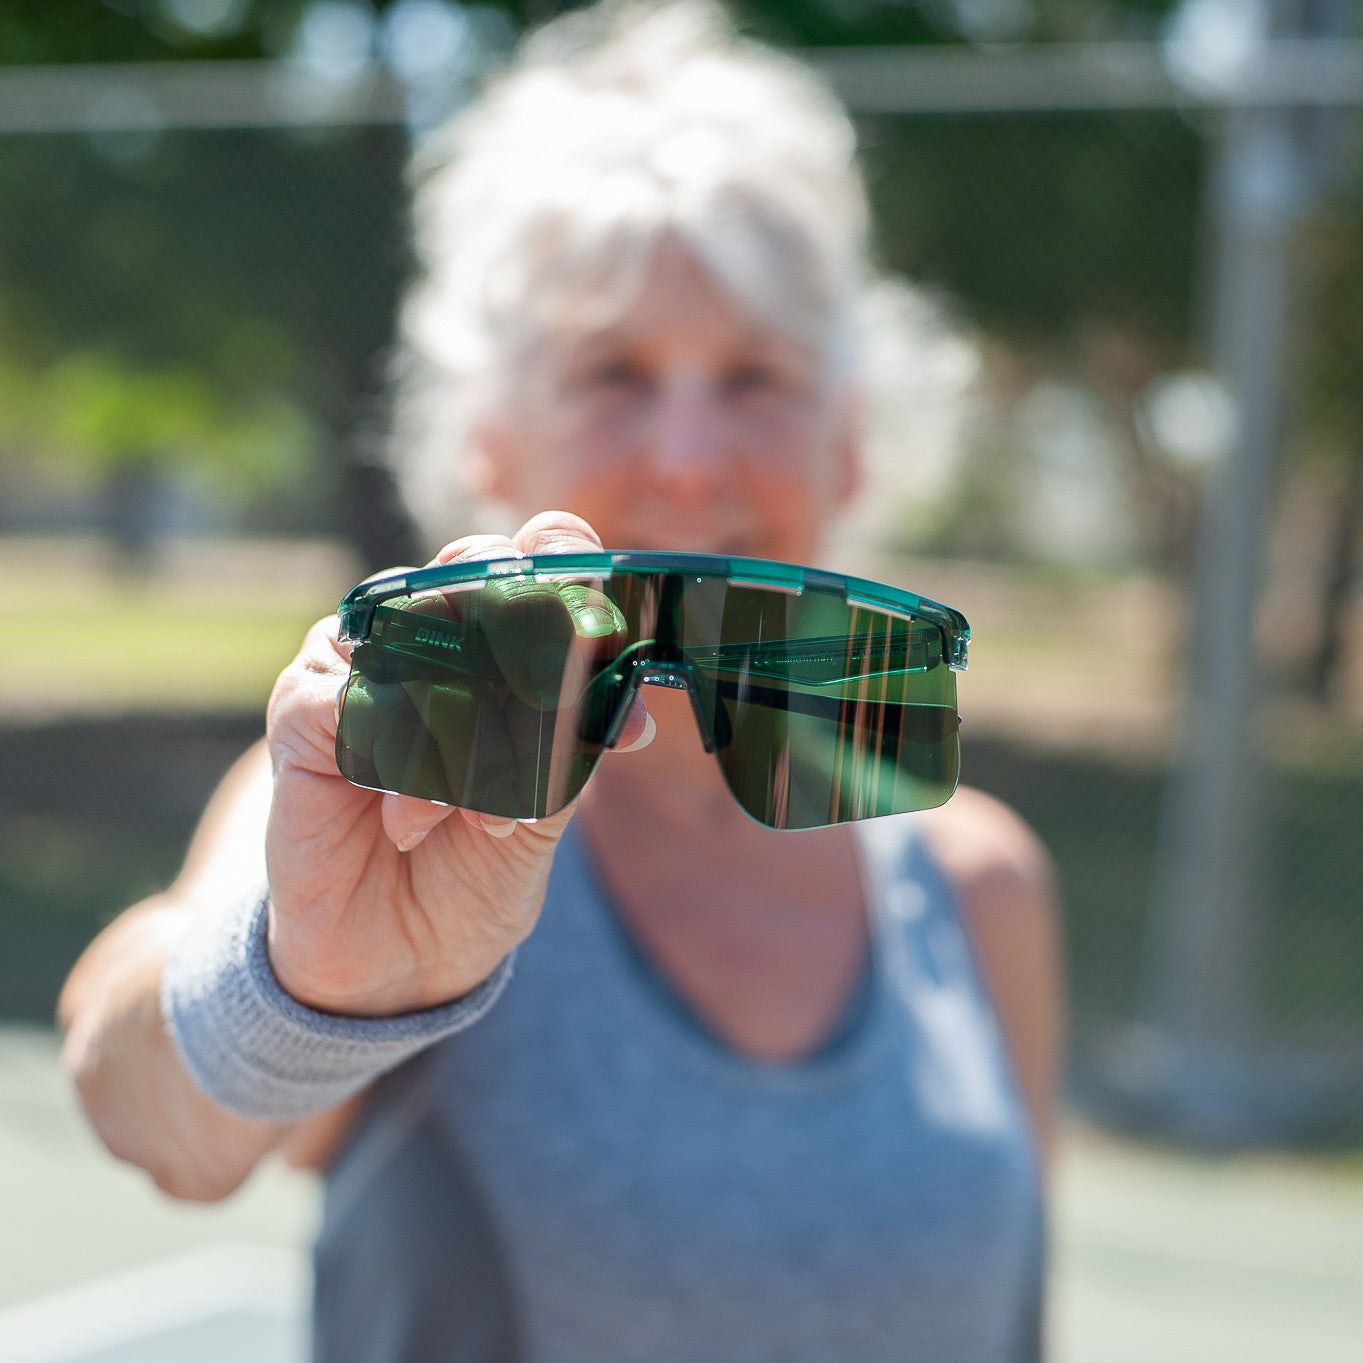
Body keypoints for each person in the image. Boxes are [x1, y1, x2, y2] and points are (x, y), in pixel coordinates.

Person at [58, 3, 1063, 1359]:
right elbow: (158, 1118)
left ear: (851, 447)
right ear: (486, 433)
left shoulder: (979, 881)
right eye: (614, 372)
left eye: (757, 377)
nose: (692, 457)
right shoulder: (399, 805)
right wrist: (310, 986)